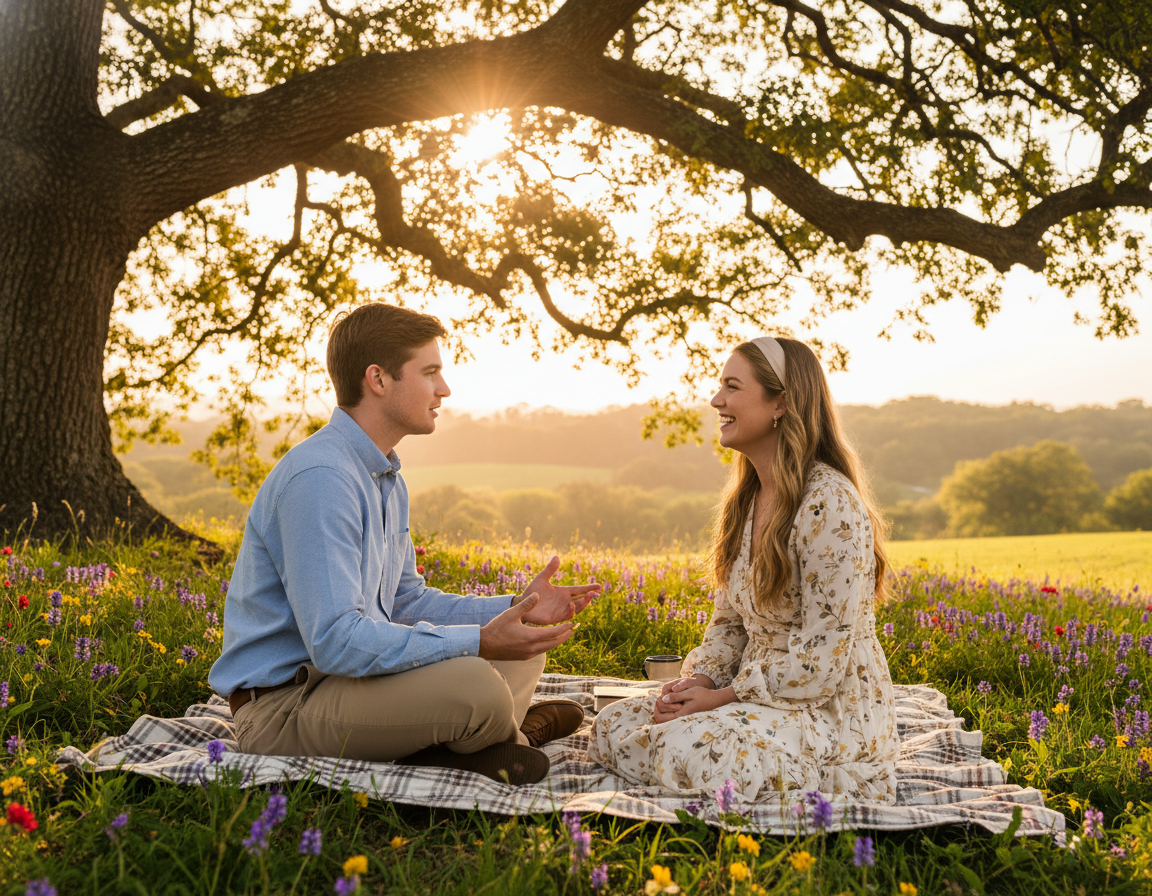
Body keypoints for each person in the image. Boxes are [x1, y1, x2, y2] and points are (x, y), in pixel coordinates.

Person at [208, 303, 599, 785]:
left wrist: (518, 607)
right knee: (479, 684)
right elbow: (334, 643)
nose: (444, 389)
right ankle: (504, 742)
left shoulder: (383, 474)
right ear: (378, 379)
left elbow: (405, 600)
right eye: (430, 371)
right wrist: (477, 641)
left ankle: (477, 746)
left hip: (352, 685)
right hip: (287, 708)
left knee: (521, 646)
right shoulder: (322, 479)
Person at [589, 336, 898, 804]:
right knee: (615, 722)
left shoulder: (828, 503)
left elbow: (822, 663)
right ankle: (706, 753)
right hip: (750, 693)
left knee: (701, 747)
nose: (717, 401)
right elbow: (731, 622)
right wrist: (703, 680)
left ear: (782, 403)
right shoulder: (747, 501)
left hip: (827, 707)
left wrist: (723, 698)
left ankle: (810, 771)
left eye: (732, 387)